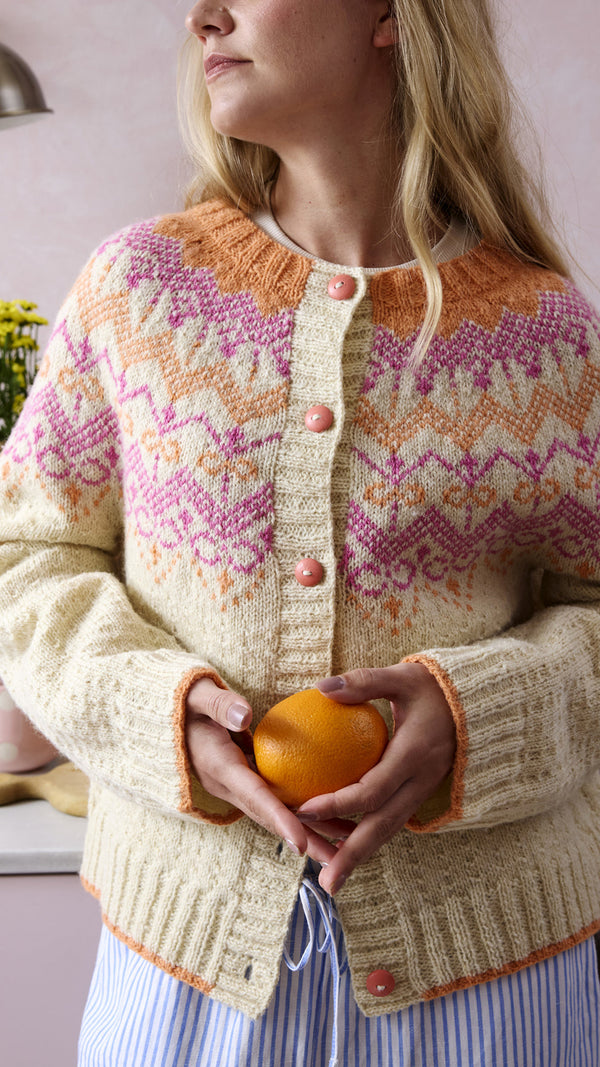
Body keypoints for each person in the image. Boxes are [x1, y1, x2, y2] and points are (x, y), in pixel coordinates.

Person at [1, 0, 600, 1063]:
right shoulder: (140, 289)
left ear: (387, 14)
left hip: (489, 974)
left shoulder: (546, 335)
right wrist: (157, 714)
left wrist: (481, 718)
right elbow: (28, 553)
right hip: (185, 962)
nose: (204, 15)